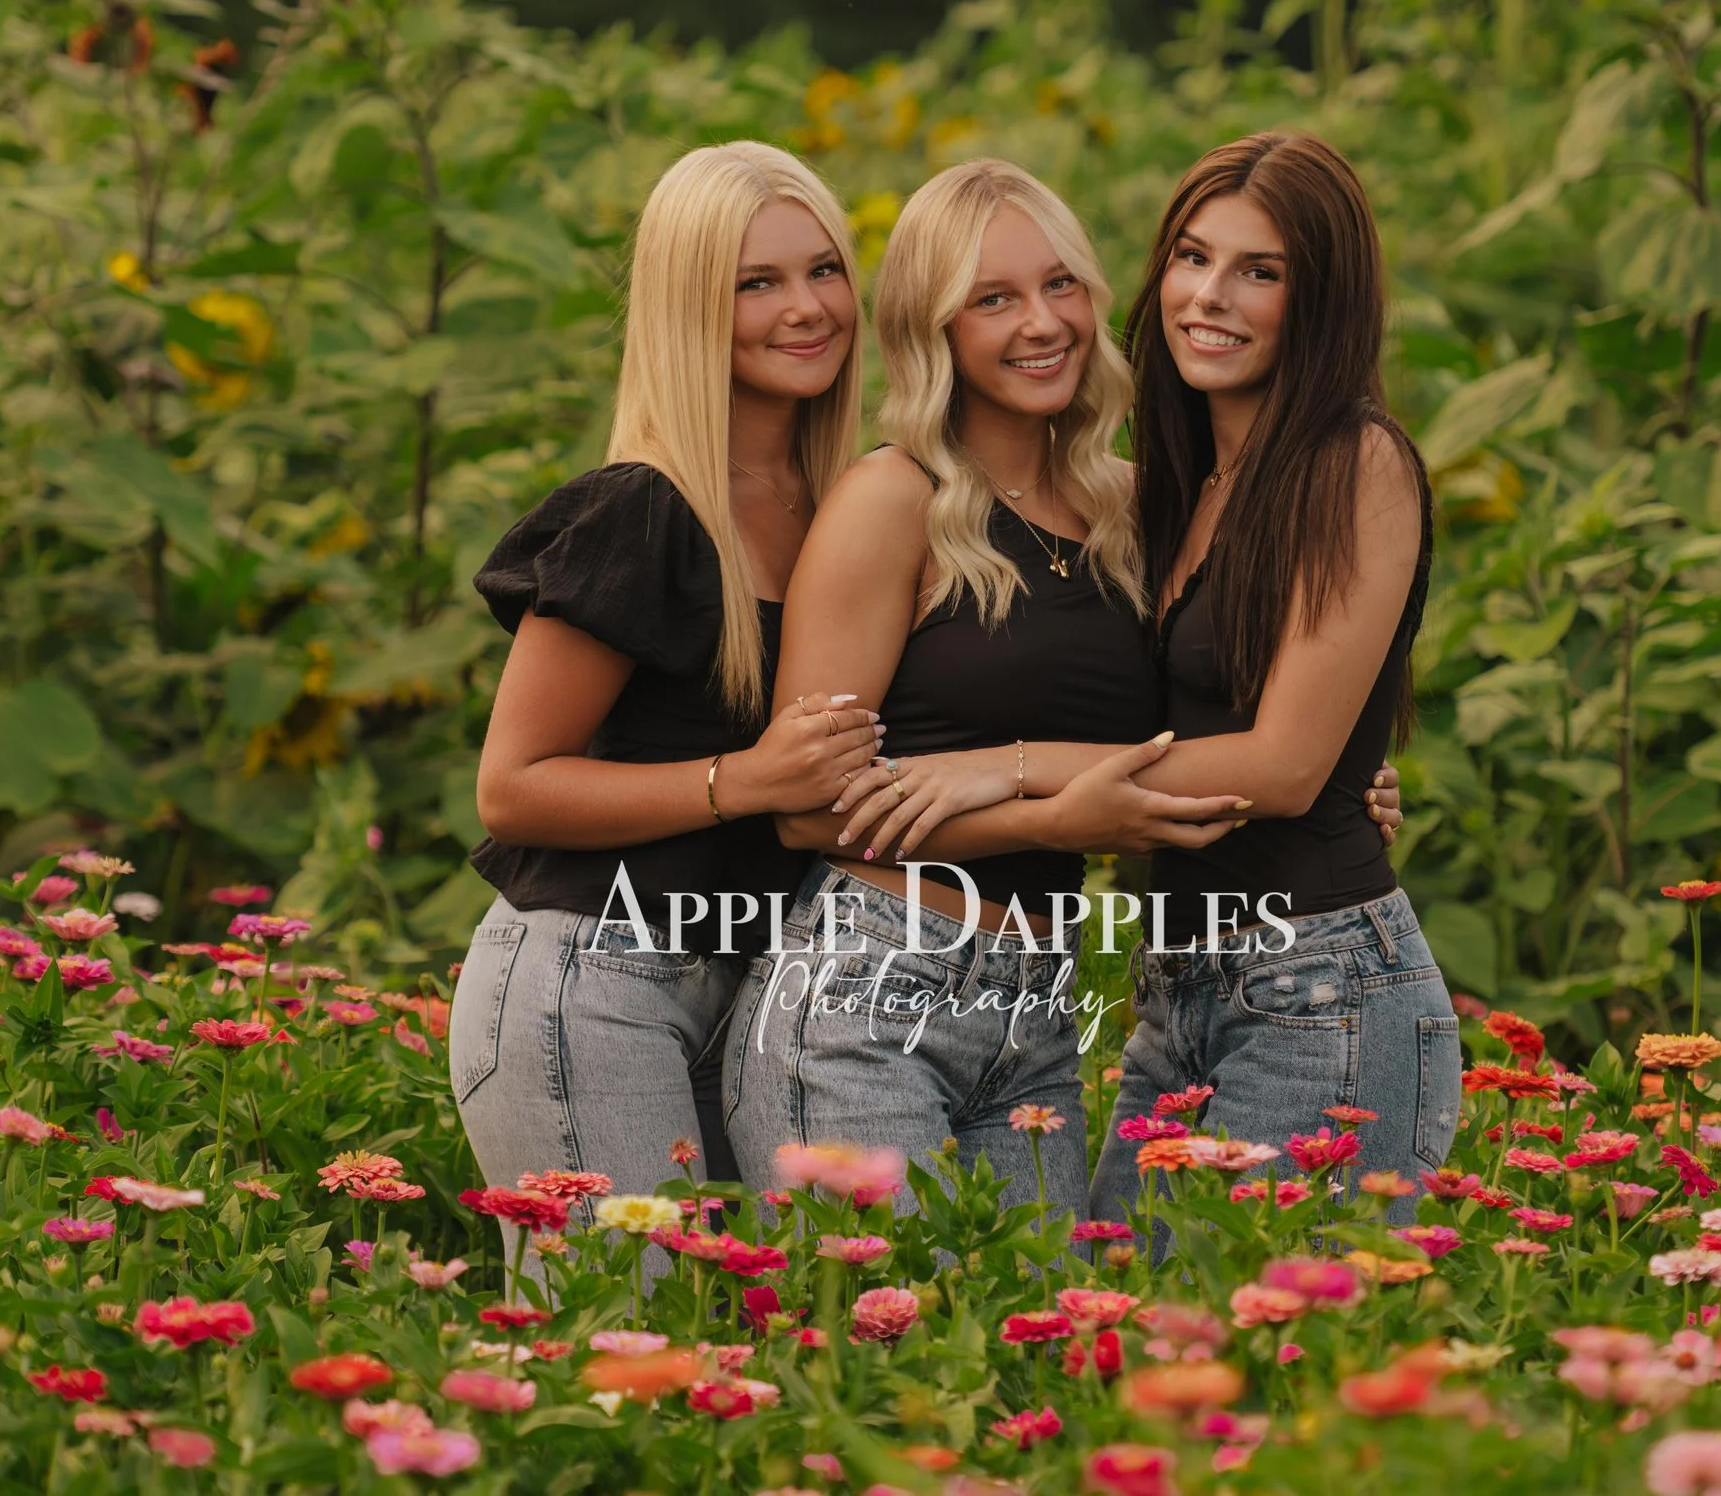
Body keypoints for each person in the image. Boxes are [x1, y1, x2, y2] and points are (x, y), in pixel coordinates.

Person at [813, 133, 1446, 1223]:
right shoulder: (1170, 492)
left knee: (1243, 1365)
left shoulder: (1354, 460)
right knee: (1112, 1340)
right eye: (1193, 258)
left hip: (1319, 986)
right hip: (1185, 992)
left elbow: (1285, 768)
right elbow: (1203, 721)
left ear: (1324, 297)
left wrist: (1000, 770)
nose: (1210, 296)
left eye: (1262, 271)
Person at [720, 158, 1229, 1213]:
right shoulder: (890, 498)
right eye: (991, 299)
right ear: (932, 329)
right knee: (887, 1348)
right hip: (863, 997)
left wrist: (1333, 781)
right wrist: (1057, 819)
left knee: (1026, 1363)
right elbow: (805, 807)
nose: (1041, 323)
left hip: (1037, 1014)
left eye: (1060, 285)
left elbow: (1191, 753)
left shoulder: (1136, 511)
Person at [447, 142, 883, 1228]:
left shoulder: (849, 506)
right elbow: (512, 786)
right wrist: (743, 779)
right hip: (594, 984)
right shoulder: (642, 510)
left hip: (751, 993)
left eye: (824, 270)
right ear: (690, 305)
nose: (806, 307)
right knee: (624, 1341)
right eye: (756, 282)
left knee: (733, 1348)